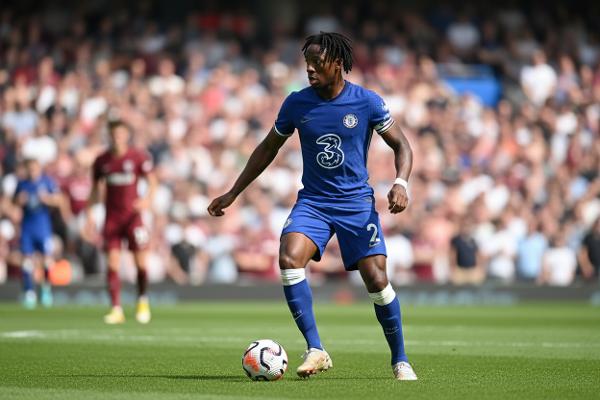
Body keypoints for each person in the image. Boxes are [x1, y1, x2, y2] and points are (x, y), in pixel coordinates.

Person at [208, 32, 417, 380]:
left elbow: (402, 146)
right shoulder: (296, 103)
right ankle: (316, 349)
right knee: (289, 258)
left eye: (317, 62)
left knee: (377, 279)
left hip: (355, 203)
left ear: (337, 64)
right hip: (314, 202)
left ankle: (400, 359)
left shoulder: (367, 102)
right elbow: (268, 148)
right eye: (307, 61)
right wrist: (233, 192)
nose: (309, 68)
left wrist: (401, 183)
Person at [88, 120, 157, 324]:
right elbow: (94, 189)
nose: (117, 137)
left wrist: (147, 200)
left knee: (141, 263)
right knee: (112, 263)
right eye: (114, 134)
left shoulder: (137, 157)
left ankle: (142, 300)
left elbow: (153, 182)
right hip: (112, 219)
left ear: (127, 136)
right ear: (109, 136)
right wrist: (89, 213)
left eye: (120, 134)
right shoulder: (102, 160)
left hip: (133, 219)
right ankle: (116, 309)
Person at [13, 158, 62, 308]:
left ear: (39, 169)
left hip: (43, 227)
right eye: (30, 169)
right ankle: (29, 292)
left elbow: (59, 200)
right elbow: (14, 202)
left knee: (47, 260)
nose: (32, 172)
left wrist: (47, 199)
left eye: (34, 168)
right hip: (27, 227)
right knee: (27, 261)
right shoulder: (22, 184)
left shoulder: (47, 182)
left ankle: (46, 290)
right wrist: (19, 201)